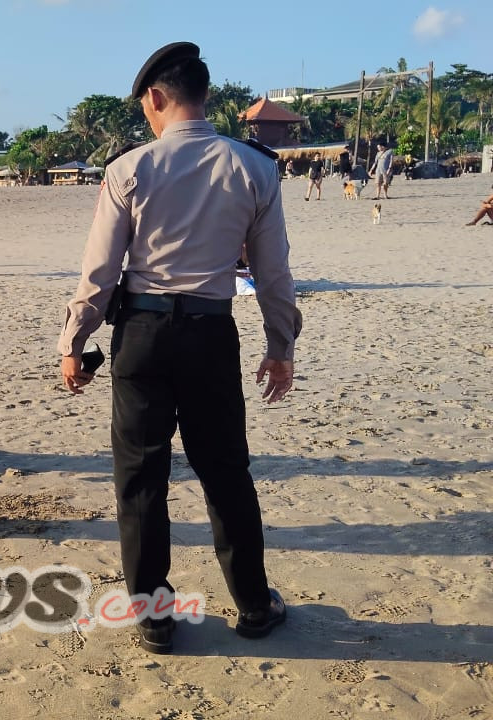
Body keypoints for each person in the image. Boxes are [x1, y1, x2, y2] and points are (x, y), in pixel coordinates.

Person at [58, 42, 299, 654]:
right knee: (225, 472)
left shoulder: (128, 170)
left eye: (145, 107)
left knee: (140, 479)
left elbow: (99, 274)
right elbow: (272, 276)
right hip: (212, 334)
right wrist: (280, 346)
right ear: (204, 96)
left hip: (140, 336)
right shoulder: (255, 167)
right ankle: (252, 605)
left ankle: (155, 616)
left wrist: (73, 340)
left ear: (158, 99)